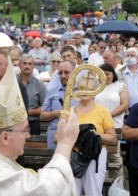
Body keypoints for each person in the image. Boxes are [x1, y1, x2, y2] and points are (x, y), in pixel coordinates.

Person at [0, 57, 80, 195]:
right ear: (5, 137)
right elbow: (47, 190)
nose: (28, 135)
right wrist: (64, 144)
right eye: (25, 130)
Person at [71, 67, 117, 196]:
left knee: (93, 192)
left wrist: (93, 135)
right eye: (81, 87)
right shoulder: (69, 111)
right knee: (72, 192)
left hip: (95, 154)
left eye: (89, 88)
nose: (84, 91)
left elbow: (112, 138)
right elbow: (57, 138)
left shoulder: (103, 111)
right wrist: (76, 135)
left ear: (95, 91)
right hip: (73, 155)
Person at [95, 63, 129, 178]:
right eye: (102, 74)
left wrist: (108, 115)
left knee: (114, 154)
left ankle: (118, 183)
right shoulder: (95, 87)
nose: (105, 76)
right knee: (99, 153)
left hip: (115, 124)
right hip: (98, 125)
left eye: (108, 73)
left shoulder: (120, 85)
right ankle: (102, 181)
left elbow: (124, 105)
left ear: (113, 74)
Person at [41, 60, 78, 149]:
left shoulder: (82, 93)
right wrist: (57, 113)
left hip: (76, 136)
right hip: (55, 136)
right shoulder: (52, 91)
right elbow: (42, 116)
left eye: (66, 72)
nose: (63, 76)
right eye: (60, 73)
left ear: (74, 73)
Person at [17, 54, 47, 135]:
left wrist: (28, 112)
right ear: (19, 65)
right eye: (24, 63)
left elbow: (44, 107)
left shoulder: (39, 85)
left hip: (32, 123)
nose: (27, 66)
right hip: (13, 123)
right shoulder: (12, 81)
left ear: (33, 66)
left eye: (30, 64)